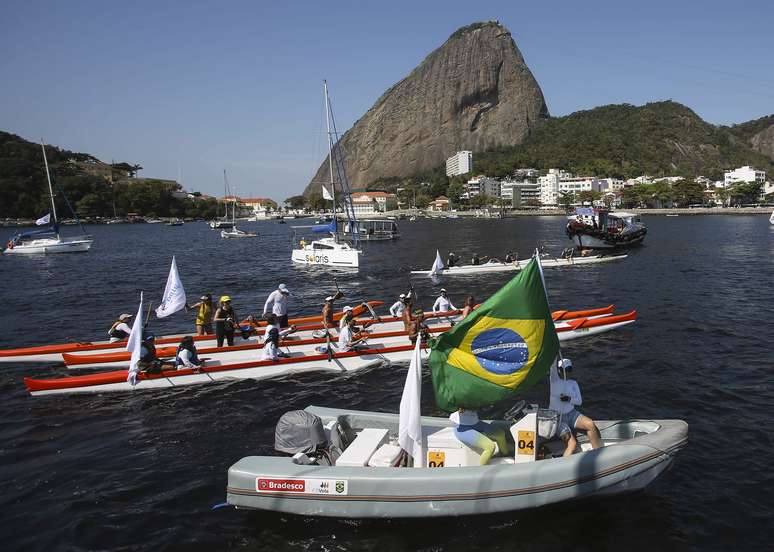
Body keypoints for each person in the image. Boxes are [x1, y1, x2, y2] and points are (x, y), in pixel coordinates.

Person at [549, 358, 602, 456]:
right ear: (559, 370)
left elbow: (579, 401)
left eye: (569, 369)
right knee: (572, 445)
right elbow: (552, 365)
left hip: (572, 414)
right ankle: (562, 467)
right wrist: (554, 351)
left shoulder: (573, 383)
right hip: (558, 418)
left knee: (590, 424)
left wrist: (569, 399)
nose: (568, 372)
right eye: (565, 370)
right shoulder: (554, 380)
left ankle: (596, 454)